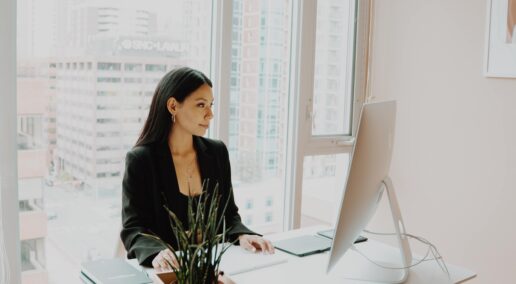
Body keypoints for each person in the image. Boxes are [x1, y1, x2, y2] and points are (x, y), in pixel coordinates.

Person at [120, 67, 275, 274]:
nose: (210, 114)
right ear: (173, 106)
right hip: (167, 272)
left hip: (213, 269)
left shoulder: (217, 152)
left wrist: (241, 235)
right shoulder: (141, 160)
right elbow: (133, 228)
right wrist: (157, 252)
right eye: (201, 105)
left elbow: (229, 215)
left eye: (210, 105)